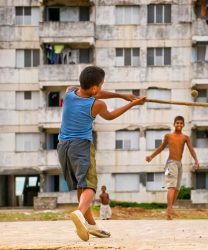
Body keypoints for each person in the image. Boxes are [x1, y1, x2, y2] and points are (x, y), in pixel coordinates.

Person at [57, 66, 145, 241]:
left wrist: (121, 95)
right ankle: (80, 214)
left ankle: (90, 224)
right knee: (90, 186)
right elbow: (110, 116)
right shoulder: (97, 104)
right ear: (96, 87)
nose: (102, 88)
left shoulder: (69, 93)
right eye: (102, 85)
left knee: (81, 186)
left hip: (62, 147)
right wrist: (132, 103)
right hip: (81, 146)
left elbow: (93, 91)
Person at [145, 116, 199, 220]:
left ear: (183, 125)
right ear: (174, 124)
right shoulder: (168, 136)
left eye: (181, 123)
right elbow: (161, 148)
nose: (179, 125)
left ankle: (169, 208)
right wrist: (151, 156)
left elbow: (191, 149)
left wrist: (196, 160)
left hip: (179, 164)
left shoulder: (185, 138)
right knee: (171, 186)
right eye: (177, 123)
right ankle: (169, 210)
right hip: (171, 164)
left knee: (177, 189)